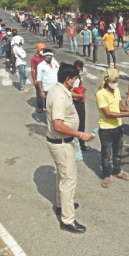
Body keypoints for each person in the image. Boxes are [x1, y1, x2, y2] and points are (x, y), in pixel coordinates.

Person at [47, 63, 95, 233]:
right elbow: (58, 125)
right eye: (75, 79)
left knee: (62, 176)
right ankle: (67, 220)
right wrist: (80, 134)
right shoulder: (60, 97)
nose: (76, 81)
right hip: (62, 143)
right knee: (69, 180)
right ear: (68, 79)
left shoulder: (59, 89)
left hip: (62, 142)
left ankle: (62, 205)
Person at [95, 69, 129, 188]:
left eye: (117, 80)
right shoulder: (101, 94)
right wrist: (127, 115)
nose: (116, 83)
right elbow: (108, 114)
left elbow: (119, 106)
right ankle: (106, 175)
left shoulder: (116, 90)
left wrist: (128, 109)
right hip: (106, 129)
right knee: (106, 154)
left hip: (118, 127)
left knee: (118, 152)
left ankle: (117, 171)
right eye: (114, 81)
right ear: (108, 81)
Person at [71, 60, 94, 152]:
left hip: (79, 102)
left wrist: (81, 89)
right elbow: (70, 92)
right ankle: (81, 145)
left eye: (81, 68)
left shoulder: (78, 77)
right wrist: (79, 95)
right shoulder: (75, 78)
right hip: (77, 103)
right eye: (78, 69)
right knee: (80, 124)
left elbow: (76, 88)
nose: (80, 70)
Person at [31, 43, 46, 113]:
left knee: (47, 92)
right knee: (39, 93)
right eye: (41, 49)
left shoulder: (46, 57)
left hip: (46, 78)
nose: (42, 51)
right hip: (38, 78)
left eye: (43, 49)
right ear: (38, 50)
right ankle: (40, 106)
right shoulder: (34, 58)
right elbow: (32, 70)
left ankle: (47, 104)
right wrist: (34, 80)